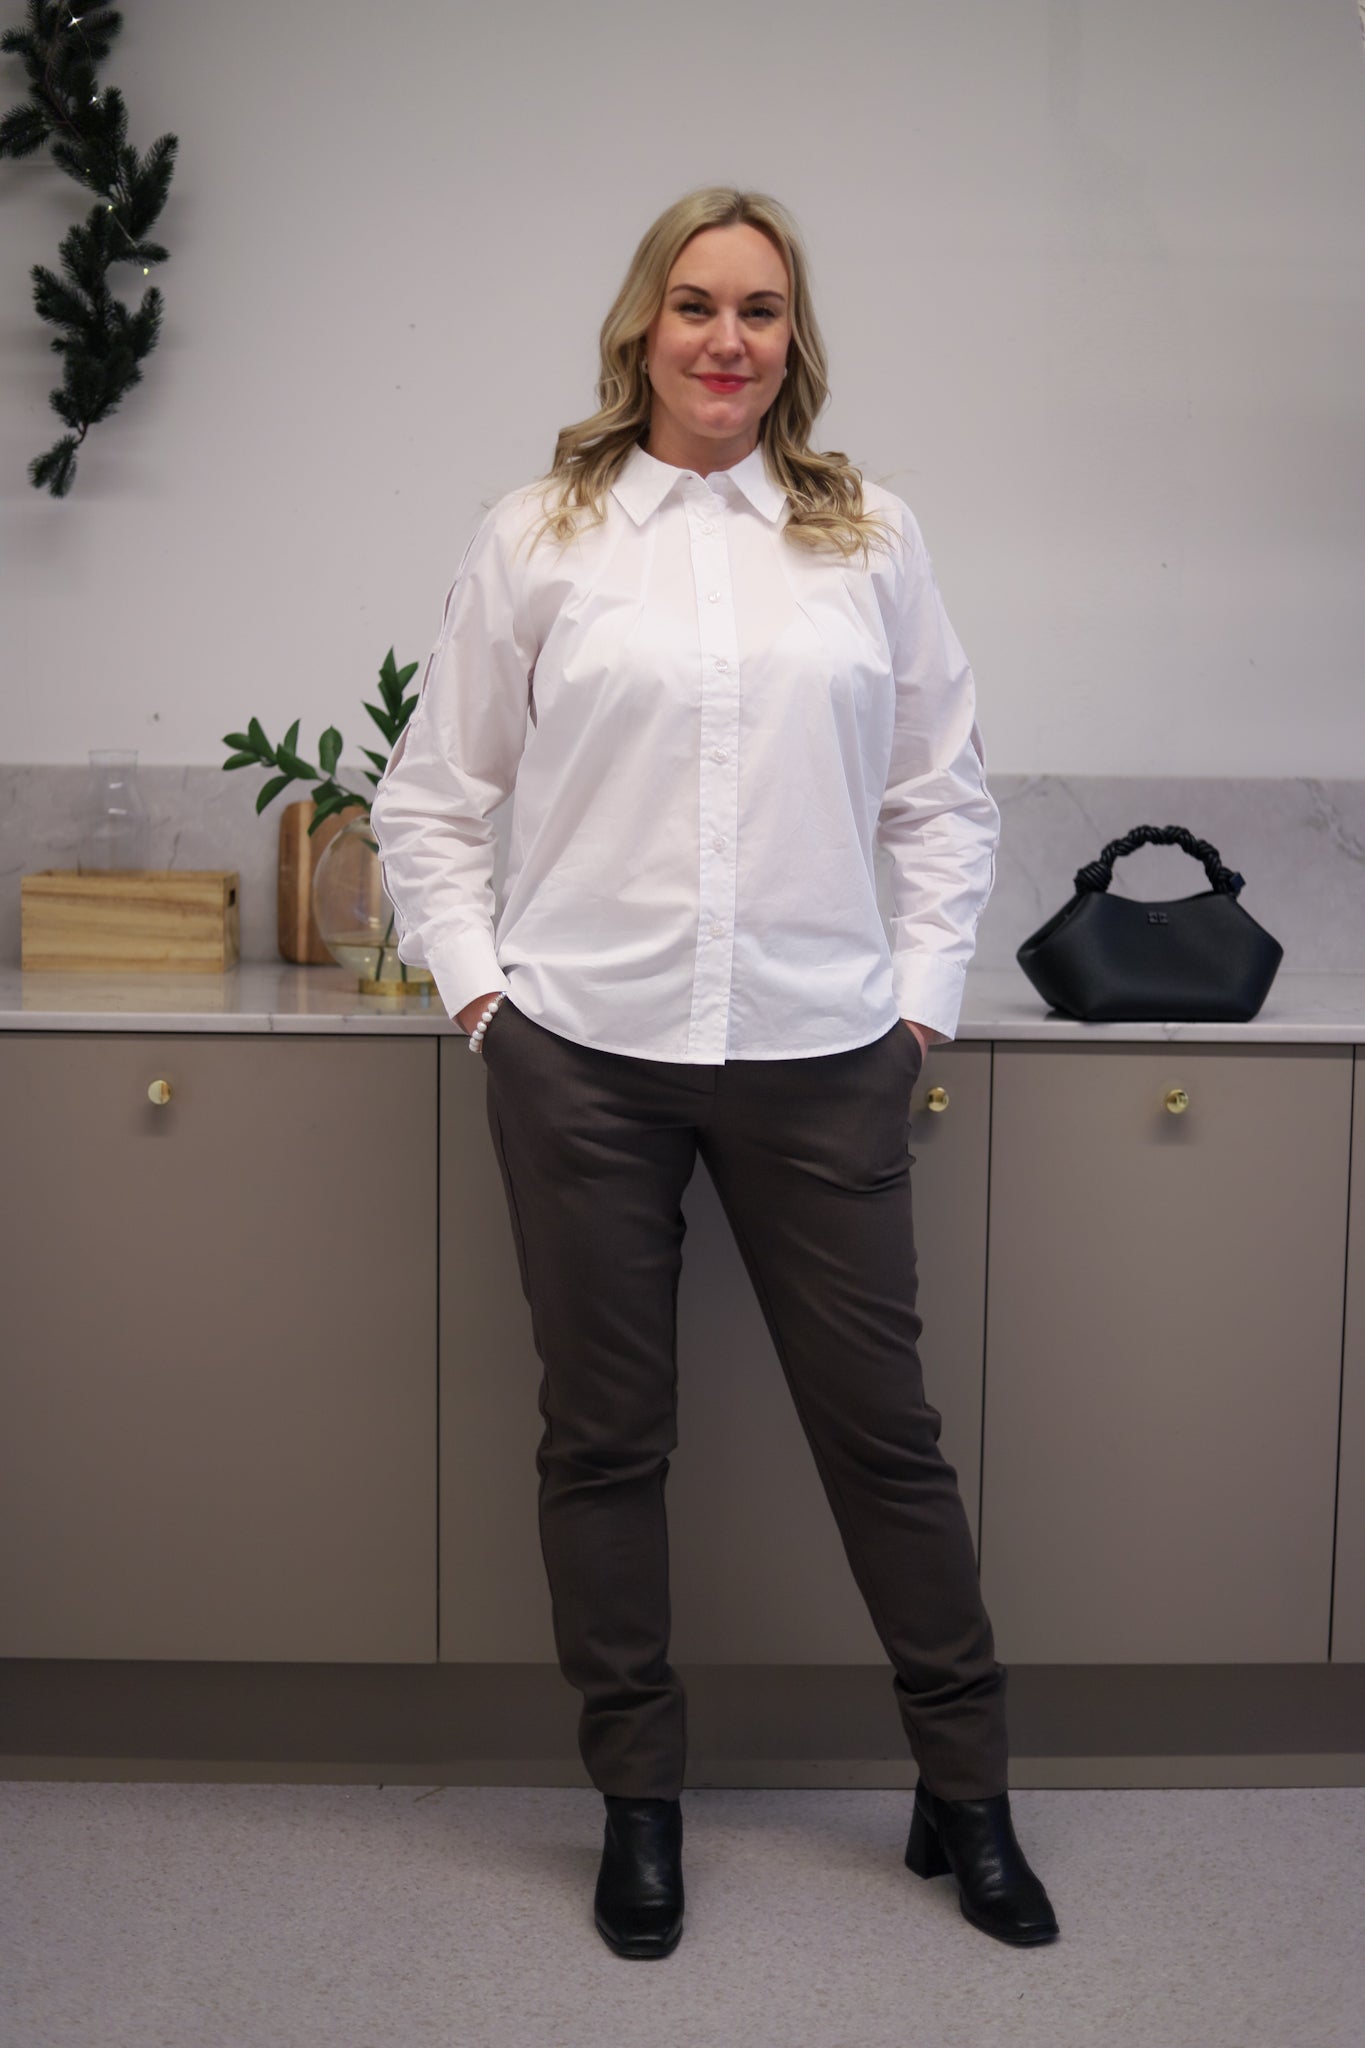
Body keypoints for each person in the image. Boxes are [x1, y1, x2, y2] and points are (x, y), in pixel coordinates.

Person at [369, 185, 1059, 1959]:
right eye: (695, 305)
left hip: (821, 1055)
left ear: (791, 338)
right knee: (604, 1441)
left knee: (884, 1439)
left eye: (758, 309)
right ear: (642, 327)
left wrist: (916, 1007)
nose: (725, 340)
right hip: (582, 1058)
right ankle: (638, 1806)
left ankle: (966, 1791)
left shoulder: (867, 536)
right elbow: (434, 799)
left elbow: (940, 793)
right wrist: (483, 1003)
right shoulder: (541, 534)